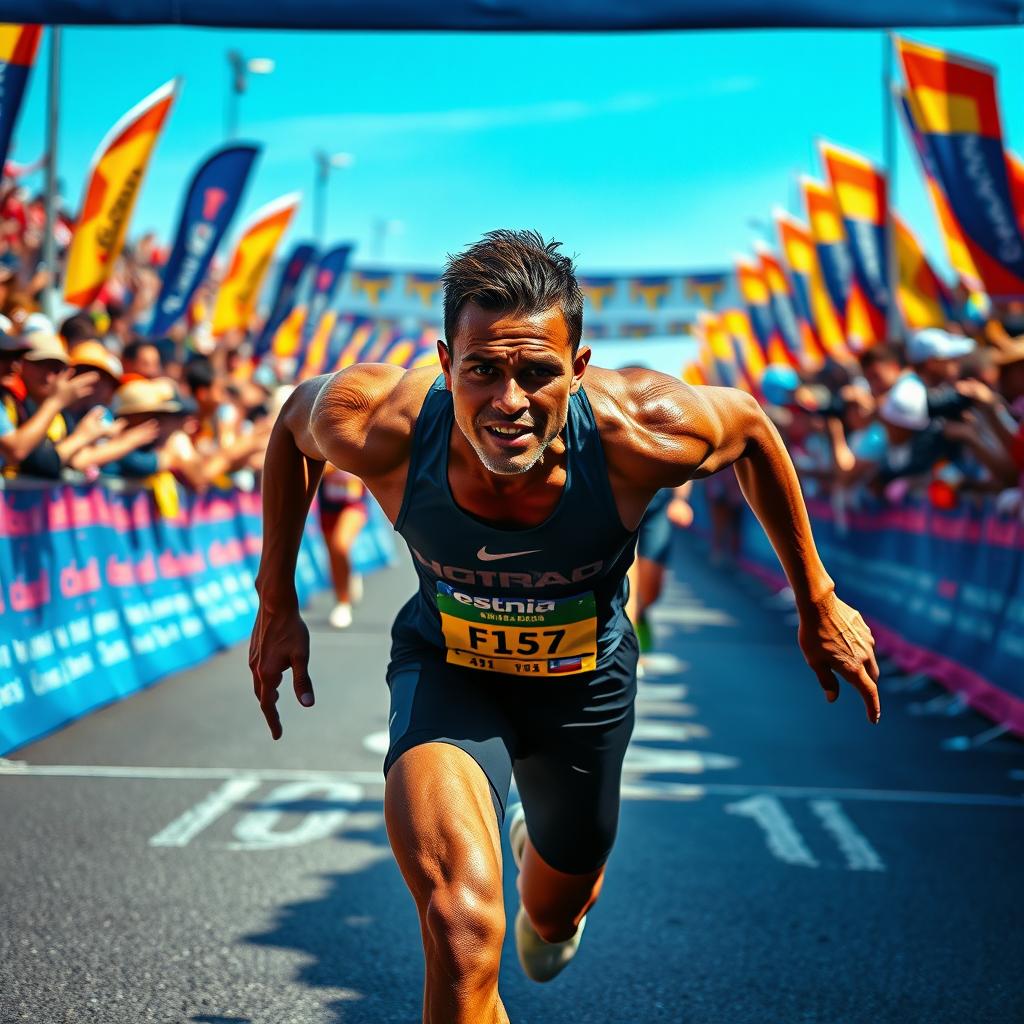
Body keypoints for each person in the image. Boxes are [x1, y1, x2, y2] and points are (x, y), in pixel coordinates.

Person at [249, 230, 879, 1024]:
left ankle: (548, 877)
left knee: (549, 923)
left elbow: (750, 429)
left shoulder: (639, 429)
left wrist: (818, 598)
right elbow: (290, 428)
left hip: (584, 692)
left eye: (538, 373)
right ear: (446, 363)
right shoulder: (380, 421)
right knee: (463, 928)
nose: (509, 403)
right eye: (482, 370)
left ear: (578, 372)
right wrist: (276, 601)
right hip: (450, 671)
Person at [317, 466, 368, 629]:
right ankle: (347, 578)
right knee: (333, 554)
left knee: (340, 545)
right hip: (327, 500)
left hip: (354, 501)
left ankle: (343, 605)